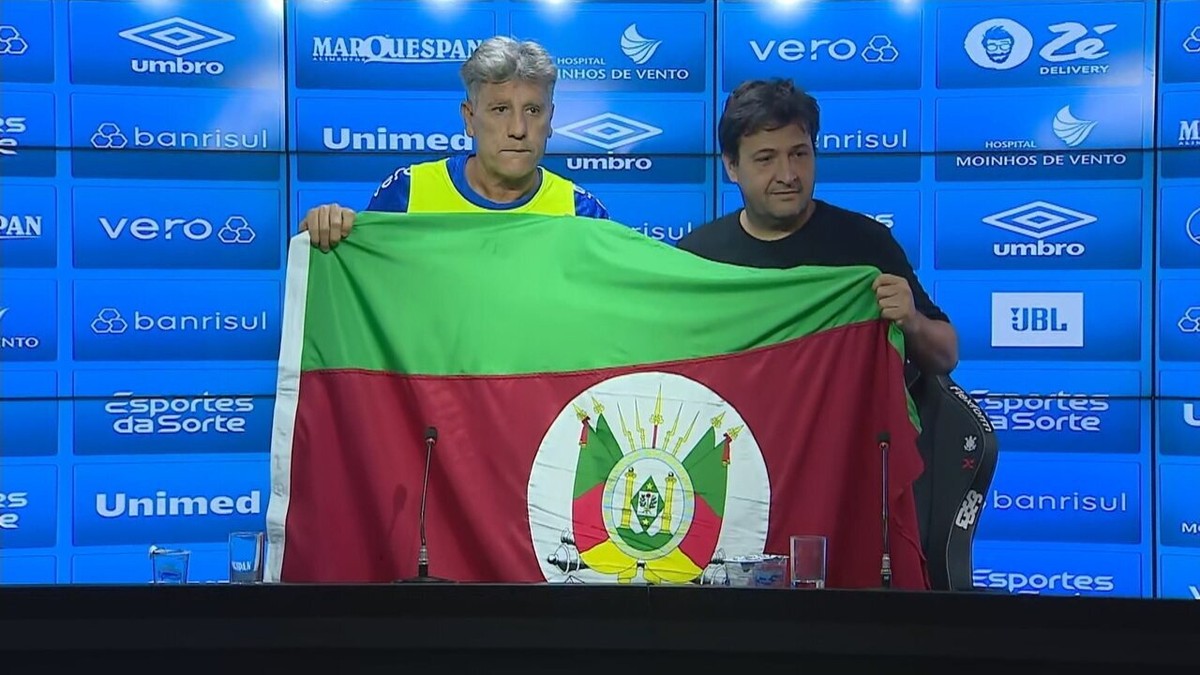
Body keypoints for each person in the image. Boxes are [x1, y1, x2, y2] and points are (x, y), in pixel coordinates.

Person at [676, 78, 958, 377]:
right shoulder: (698, 257)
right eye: (766, 159)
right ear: (732, 166)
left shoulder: (864, 242)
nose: (787, 174)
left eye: (799, 154)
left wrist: (912, 321)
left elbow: (946, 356)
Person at [300, 36, 610, 251]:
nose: (518, 129)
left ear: (550, 119)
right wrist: (322, 232)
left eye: (533, 110)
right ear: (469, 119)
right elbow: (353, 277)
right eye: (500, 110)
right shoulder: (408, 192)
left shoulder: (582, 212)